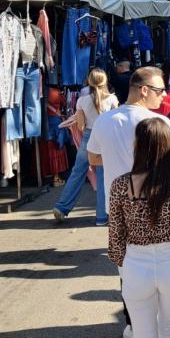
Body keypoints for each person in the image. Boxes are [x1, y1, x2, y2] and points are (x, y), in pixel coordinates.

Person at [87, 66, 170, 338]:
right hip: (157, 208)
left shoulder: (106, 120)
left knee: (129, 273)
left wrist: (119, 163)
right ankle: (159, 329)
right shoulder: (158, 123)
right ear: (144, 90)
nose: (163, 95)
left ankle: (137, 326)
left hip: (120, 210)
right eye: (159, 90)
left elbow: (93, 158)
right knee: (165, 276)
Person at [108, 118, 170, 338]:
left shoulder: (120, 185)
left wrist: (123, 262)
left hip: (136, 262)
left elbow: (116, 235)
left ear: (138, 145)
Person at [52, 68, 118, 225]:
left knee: (77, 172)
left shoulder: (82, 101)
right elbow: (116, 122)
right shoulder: (112, 100)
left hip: (89, 137)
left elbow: (81, 126)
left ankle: (62, 207)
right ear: (105, 81)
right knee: (103, 176)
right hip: (106, 138)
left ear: (89, 81)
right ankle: (102, 217)